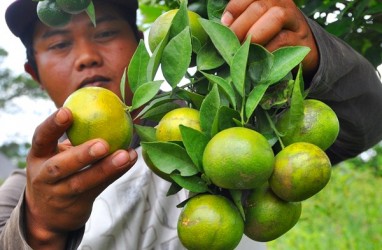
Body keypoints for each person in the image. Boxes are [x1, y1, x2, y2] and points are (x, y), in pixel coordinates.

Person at [1, 0, 382, 249]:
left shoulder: (222, 124)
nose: (86, 57)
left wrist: (318, 62)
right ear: (35, 74)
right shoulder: (23, 192)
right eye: (59, 45)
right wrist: (37, 227)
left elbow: (364, 122)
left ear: (140, 44)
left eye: (104, 34)